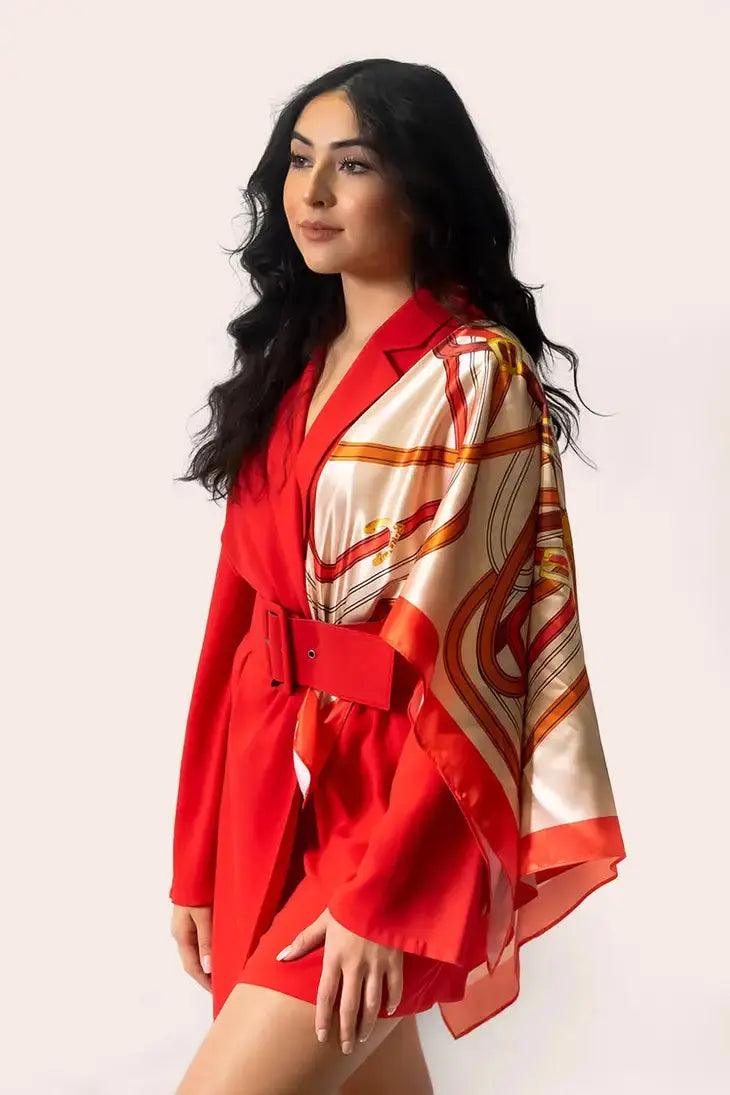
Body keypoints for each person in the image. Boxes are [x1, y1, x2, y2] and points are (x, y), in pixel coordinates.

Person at [169, 59, 626, 1094]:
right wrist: (196, 853)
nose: (313, 192)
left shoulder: (475, 373)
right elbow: (234, 621)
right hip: (265, 784)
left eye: (354, 164)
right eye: (299, 162)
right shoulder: (290, 362)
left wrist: (387, 892)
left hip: (399, 811)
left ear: (420, 187)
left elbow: (478, 658)